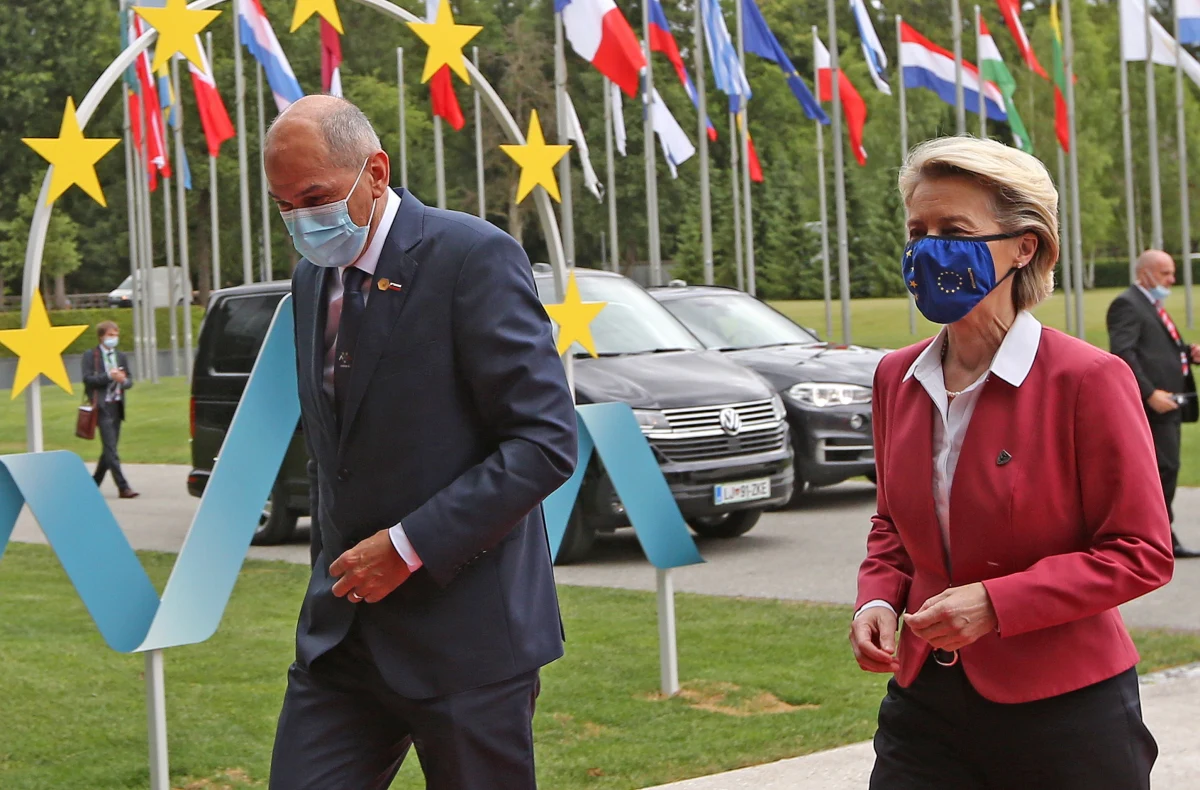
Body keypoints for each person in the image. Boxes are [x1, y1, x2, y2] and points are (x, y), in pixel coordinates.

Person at [263, 95, 577, 790]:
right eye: (283, 205)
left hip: (467, 644)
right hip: (342, 643)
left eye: (313, 198)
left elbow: (545, 440)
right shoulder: (311, 278)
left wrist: (407, 547)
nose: (301, 221)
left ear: (375, 172)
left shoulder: (472, 257)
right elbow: (335, 453)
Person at [850, 137, 1173, 790]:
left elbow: (1140, 552)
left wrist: (997, 604)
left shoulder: (1089, 379)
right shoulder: (895, 377)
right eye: (918, 231)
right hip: (924, 707)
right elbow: (891, 525)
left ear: (1024, 246)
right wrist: (877, 597)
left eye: (953, 231)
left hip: (1065, 711)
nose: (928, 249)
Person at [1107, 250, 1200, 558]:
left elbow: (1154, 348)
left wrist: (1187, 352)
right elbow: (1124, 353)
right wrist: (1149, 393)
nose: (1172, 280)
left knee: (1167, 469)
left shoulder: (1150, 305)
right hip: (1153, 406)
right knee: (1162, 469)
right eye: (1165, 273)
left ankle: (1162, 534)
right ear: (1144, 273)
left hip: (1170, 403)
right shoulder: (1127, 304)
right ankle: (1155, 537)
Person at [81, 320, 138, 499]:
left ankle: (92, 484)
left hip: (116, 405)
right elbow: (88, 379)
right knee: (111, 449)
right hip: (101, 406)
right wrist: (108, 376)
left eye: (116, 335)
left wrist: (123, 380)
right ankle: (123, 487)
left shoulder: (120, 356)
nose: (114, 338)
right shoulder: (91, 356)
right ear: (101, 337)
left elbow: (129, 381)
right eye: (110, 335)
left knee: (109, 449)